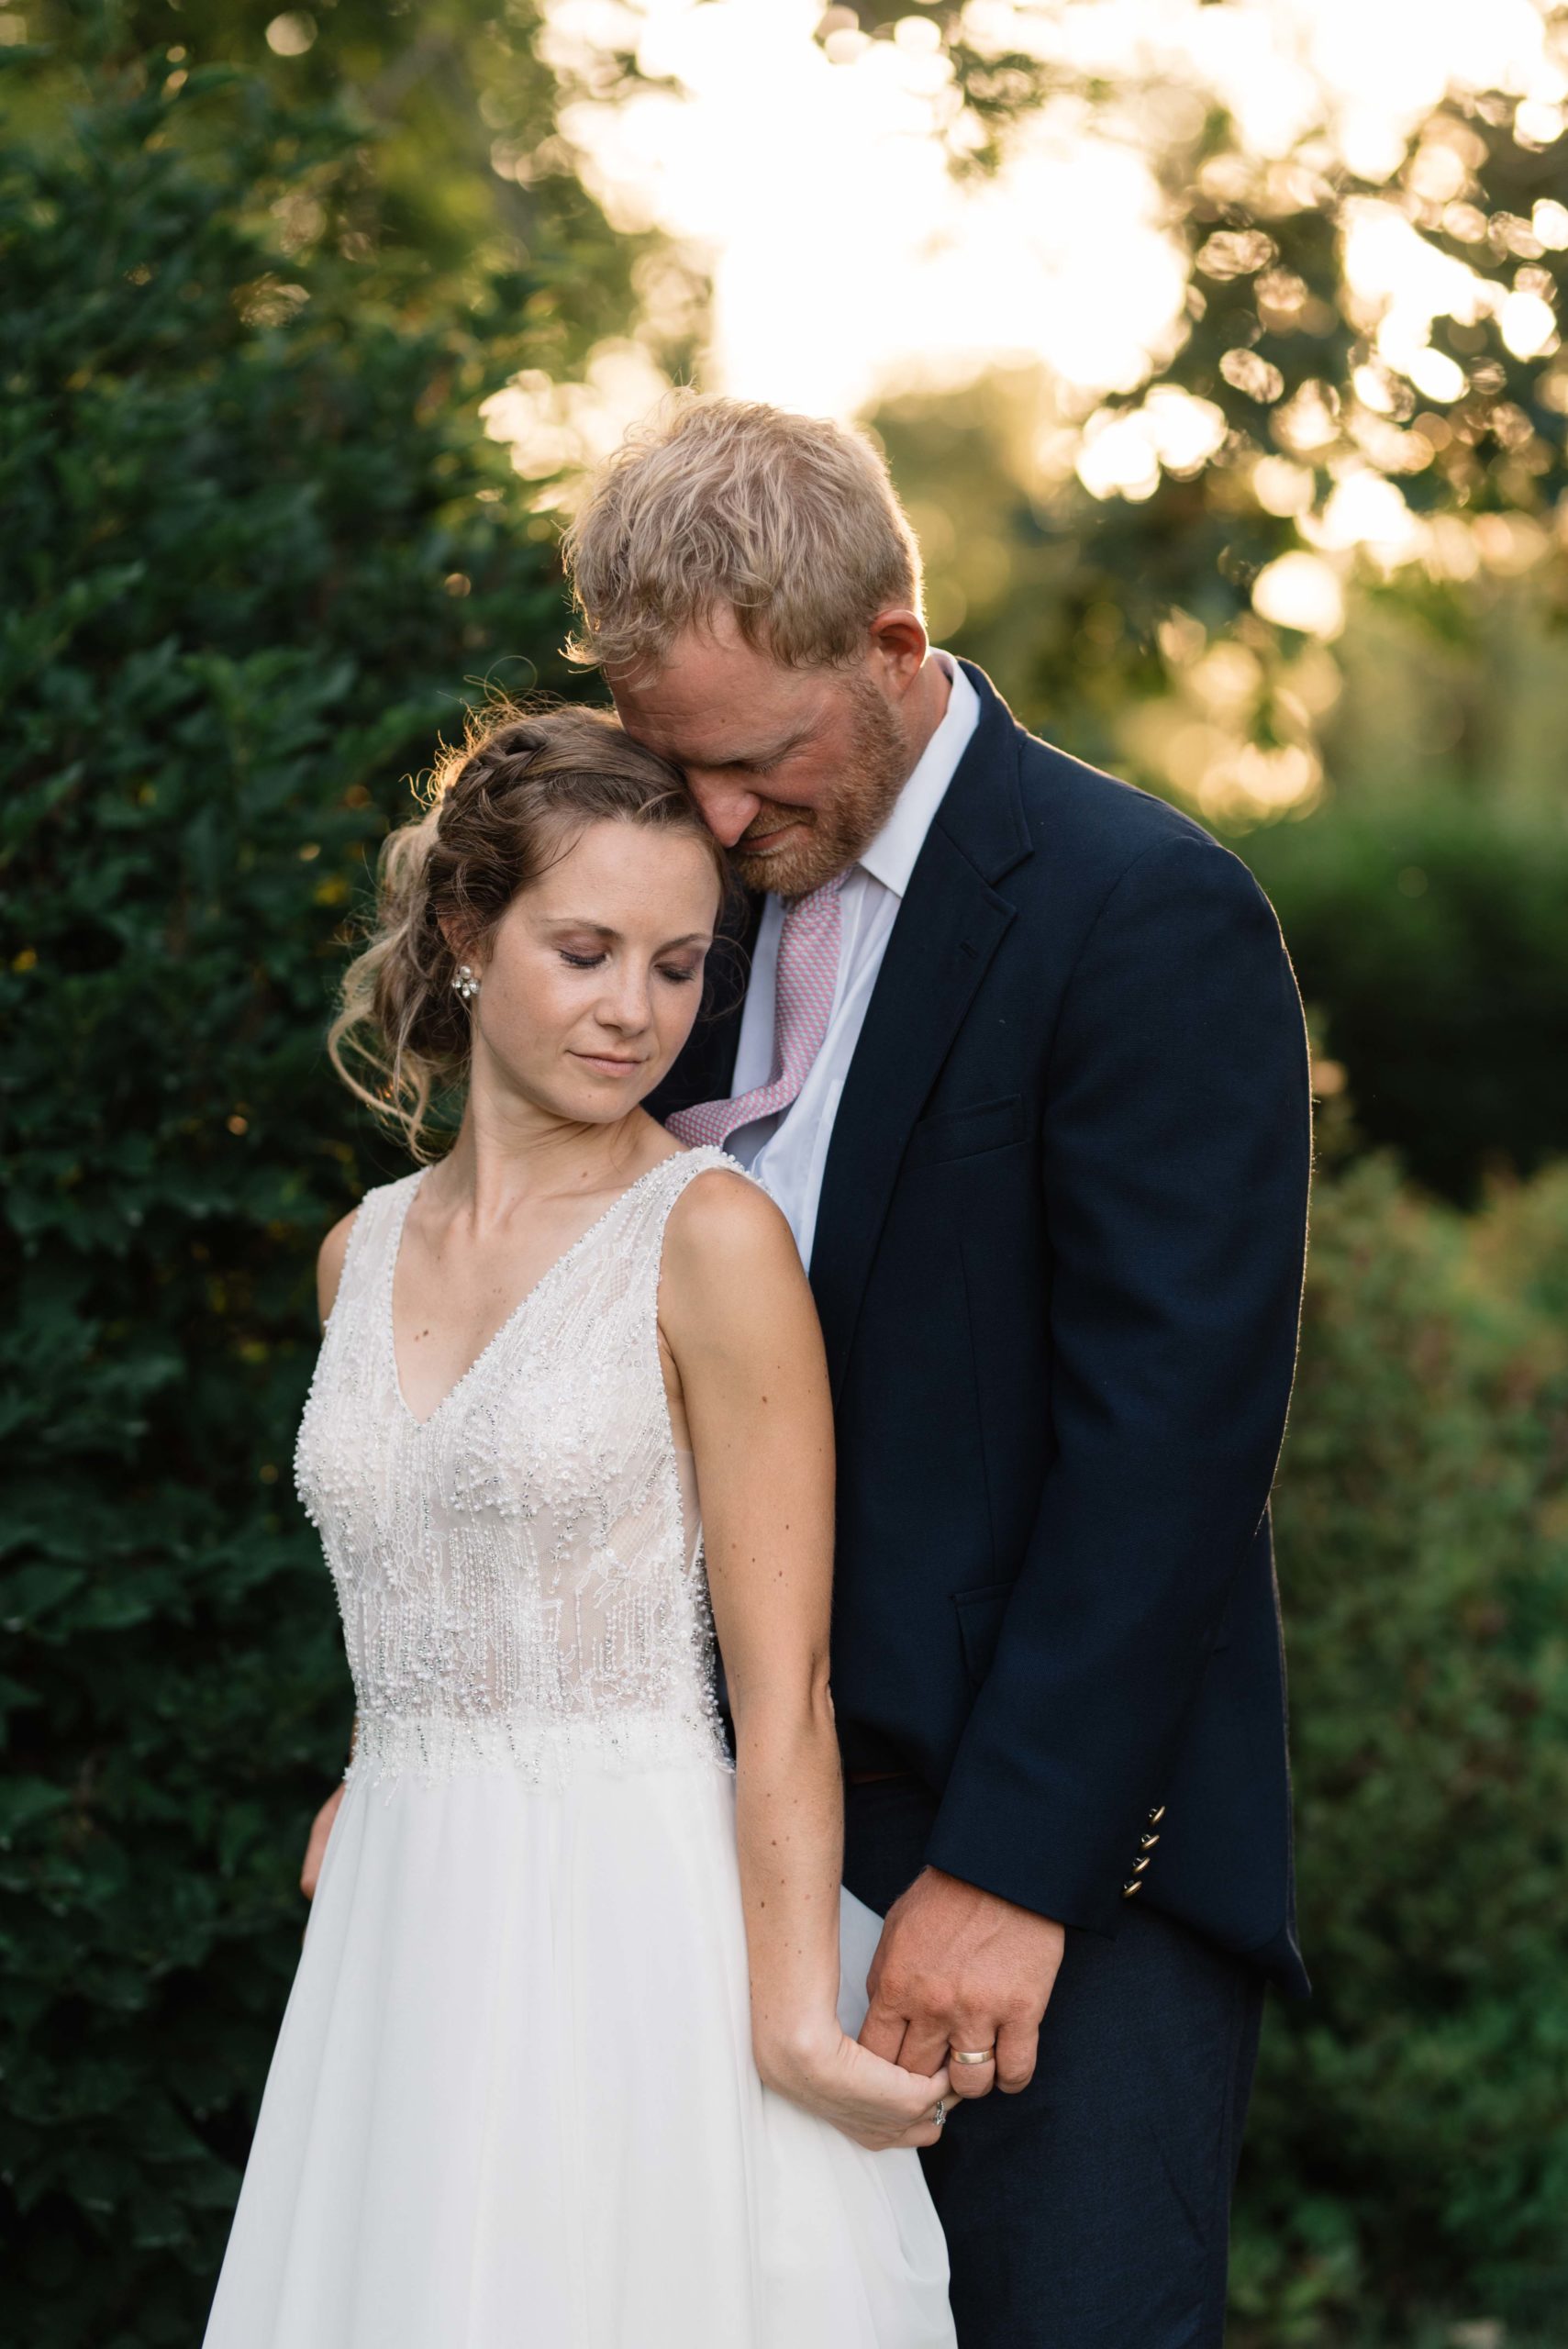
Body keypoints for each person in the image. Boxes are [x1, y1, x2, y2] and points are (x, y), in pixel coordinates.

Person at [564, 395, 1314, 2348]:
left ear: (894, 648)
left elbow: (1168, 1446)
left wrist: (1007, 1871)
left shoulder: (1137, 914)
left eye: (754, 759)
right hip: (709, 1835)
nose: (715, 821)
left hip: (1039, 1862)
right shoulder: (676, 925)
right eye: (673, 763)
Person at [202, 704, 958, 2349]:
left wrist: (787, 2024)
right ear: (470, 935)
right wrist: (378, 1761)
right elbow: (431, 1563)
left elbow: (786, 1687)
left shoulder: (709, 1239)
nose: (636, 1011)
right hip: (407, 1928)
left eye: (680, 966)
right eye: (587, 949)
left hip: (633, 1930)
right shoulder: (359, 1254)